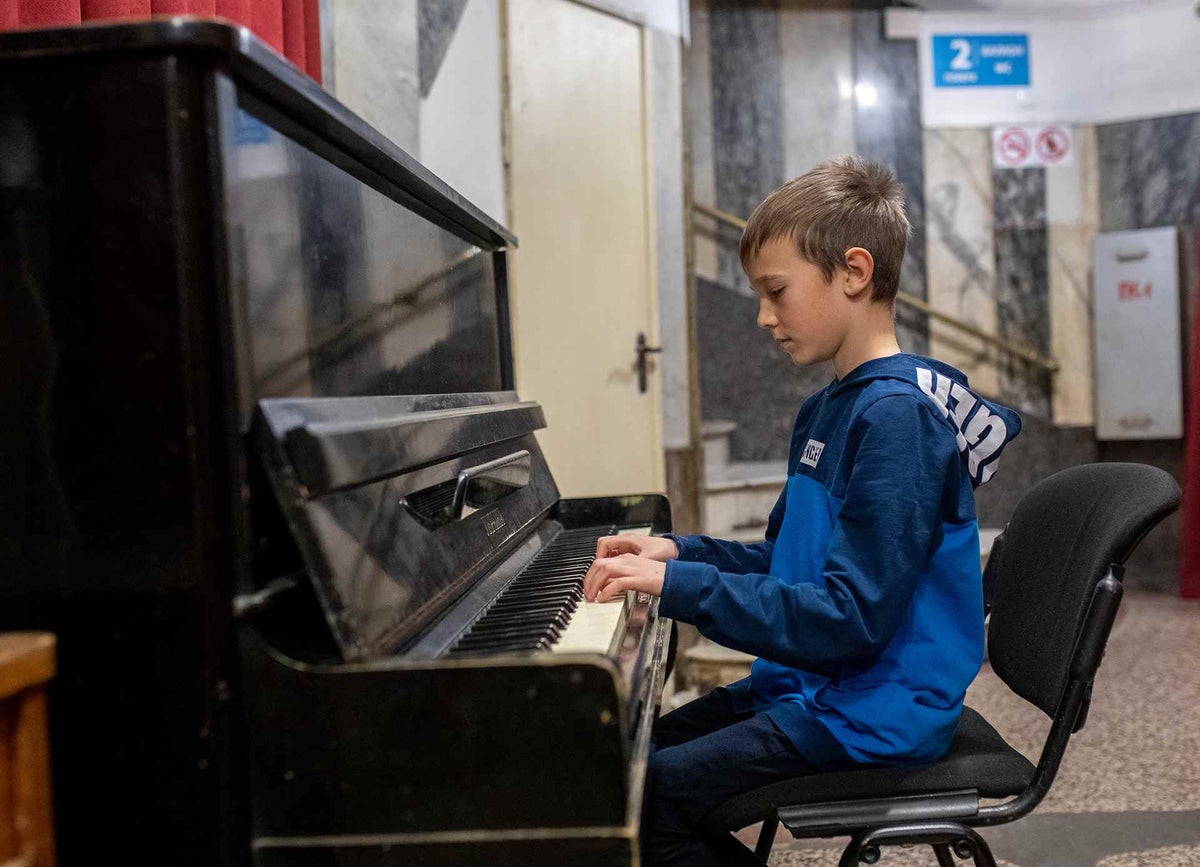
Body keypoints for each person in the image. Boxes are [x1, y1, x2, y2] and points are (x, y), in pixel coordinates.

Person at [582, 155, 1021, 866]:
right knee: (627, 752)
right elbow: (789, 565)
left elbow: (848, 617)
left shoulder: (898, 421)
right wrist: (680, 555)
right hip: (818, 686)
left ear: (853, 271)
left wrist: (681, 591)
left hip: (875, 711)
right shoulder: (829, 409)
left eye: (775, 290)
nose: (762, 316)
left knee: (641, 797)